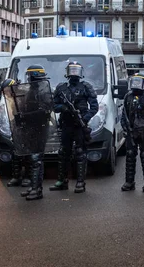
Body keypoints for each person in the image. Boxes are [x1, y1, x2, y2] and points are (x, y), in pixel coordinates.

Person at [50, 61, 99, 194]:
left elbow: (94, 107)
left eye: (76, 70)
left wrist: (85, 118)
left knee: (80, 153)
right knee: (63, 153)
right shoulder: (61, 88)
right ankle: (62, 181)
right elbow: (54, 106)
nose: (74, 73)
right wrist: (64, 108)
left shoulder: (86, 87)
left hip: (80, 125)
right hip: (66, 125)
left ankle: (80, 182)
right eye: (72, 70)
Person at [17, 66, 52, 201]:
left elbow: (44, 111)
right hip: (30, 128)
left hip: (40, 127)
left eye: (29, 76)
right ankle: (33, 186)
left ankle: (37, 190)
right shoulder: (32, 89)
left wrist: (25, 116)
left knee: (36, 159)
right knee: (31, 158)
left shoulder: (44, 90)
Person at [3, 79, 32, 190]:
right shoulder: (10, 98)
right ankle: (16, 176)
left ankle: (28, 177)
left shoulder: (24, 94)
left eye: (6, 91)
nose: (6, 93)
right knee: (16, 152)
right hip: (17, 126)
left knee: (28, 154)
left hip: (28, 126)